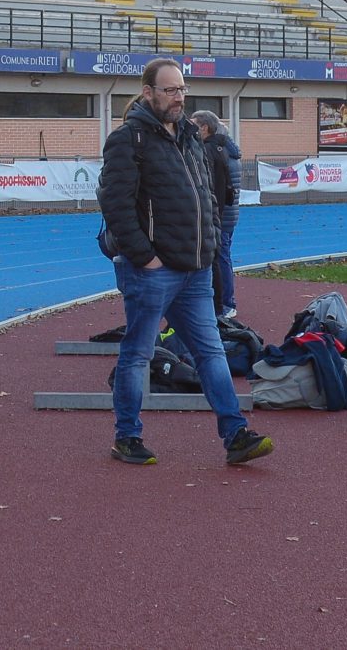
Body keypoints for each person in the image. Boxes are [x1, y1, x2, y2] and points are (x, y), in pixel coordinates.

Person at [98, 59, 272, 468]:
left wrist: (208, 245)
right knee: (137, 354)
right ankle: (127, 436)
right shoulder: (128, 140)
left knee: (210, 353)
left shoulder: (190, 136)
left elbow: (206, 195)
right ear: (148, 93)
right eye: (171, 90)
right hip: (152, 272)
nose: (179, 97)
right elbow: (115, 205)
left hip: (195, 271)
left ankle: (236, 434)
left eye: (182, 89)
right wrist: (146, 257)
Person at [191, 110, 243, 321]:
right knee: (223, 256)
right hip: (228, 212)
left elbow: (216, 186)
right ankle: (225, 302)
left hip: (221, 213)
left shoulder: (215, 152)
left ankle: (226, 303)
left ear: (205, 128)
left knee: (220, 258)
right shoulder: (229, 152)